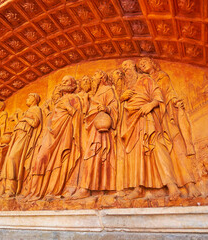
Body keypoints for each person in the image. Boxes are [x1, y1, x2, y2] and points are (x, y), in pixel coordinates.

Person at [138, 57, 200, 197]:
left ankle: (190, 184)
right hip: (153, 120)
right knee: (159, 151)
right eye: (140, 65)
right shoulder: (142, 82)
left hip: (167, 114)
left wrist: (175, 102)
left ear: (153, 62)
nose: (142, 65)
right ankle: (171, 185)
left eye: (145, 62)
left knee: (178, 147)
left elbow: (170, 92)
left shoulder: (162, 76)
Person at [120, 60, 180, 200]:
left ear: (134, 67)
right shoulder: (127, 87)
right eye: (123, 68)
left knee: (157, 146)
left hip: (148, 116)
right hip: (132, 119)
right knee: (137, 152)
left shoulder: (145, 79)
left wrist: (152, 105)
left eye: (127, 66)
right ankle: (138, 187)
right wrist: (123, 98)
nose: (125, 70)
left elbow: (157, 93)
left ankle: (171, 185)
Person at [26, 75, 82, 200]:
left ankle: (53, 190)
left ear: (73, 85)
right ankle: (35, 192)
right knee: (40, 159)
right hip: (51, 133)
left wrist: (68, 106)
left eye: (66, 80)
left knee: (59, 160)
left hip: (64, 133)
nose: (63, 83)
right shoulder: (57, 102)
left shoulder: (75, 98)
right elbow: (51, 118)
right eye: (62, 81)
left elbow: (79, 117)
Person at [72, 70, 118, 199]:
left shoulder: (108, 89)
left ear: (102, 77)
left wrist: (107, 108)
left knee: (97, 154)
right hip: (93, 127)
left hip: (102, 128)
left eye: (95, 76)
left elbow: (114, 105)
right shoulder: (95, 93)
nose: (93, 79)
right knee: (92, 154)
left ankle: (88, 188)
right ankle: (89, 187)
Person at [0, 93, 43, 197]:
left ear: (34, 99)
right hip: (17, 136)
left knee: (12, 158)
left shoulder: (36, 109)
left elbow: (35, 123)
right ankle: (7, 188)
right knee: (9, 160)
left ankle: (11, 189)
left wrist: (24, 119)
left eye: (29, 97)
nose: (26, 99)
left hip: (24, 135)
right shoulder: (27, 111)